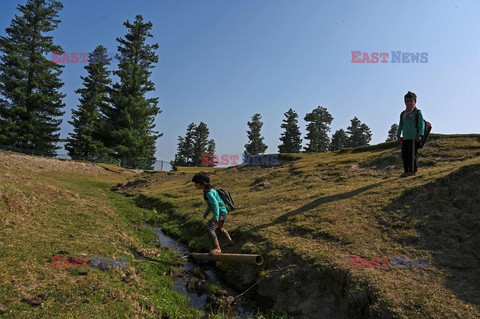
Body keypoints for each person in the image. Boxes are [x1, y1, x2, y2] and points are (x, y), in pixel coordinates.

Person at [192, 172, 234, 254]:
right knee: (219, 228)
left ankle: (217, 248)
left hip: (220, 213)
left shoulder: (209, 193)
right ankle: (230, 241)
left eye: (196, 183)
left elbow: (215, 204)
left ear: (201, 183)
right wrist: (206, 212)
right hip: (223, 212)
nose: (195, 185)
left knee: (210, 228)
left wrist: (216, 216)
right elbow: (210, 204)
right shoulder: (210, 190)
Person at [396, 91, 425, 177]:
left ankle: (412, 171)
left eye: (411, 101)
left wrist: (420, 135)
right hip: (405, 137)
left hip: (414, 137)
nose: (409, 103)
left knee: (412, 154)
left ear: (415, 101)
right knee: (405, 155)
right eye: (407, 101)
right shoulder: (403, 114)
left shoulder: (417, 112)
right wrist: (398, 135)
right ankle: (406, 171)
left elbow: (421, 125)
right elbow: (401, 125)